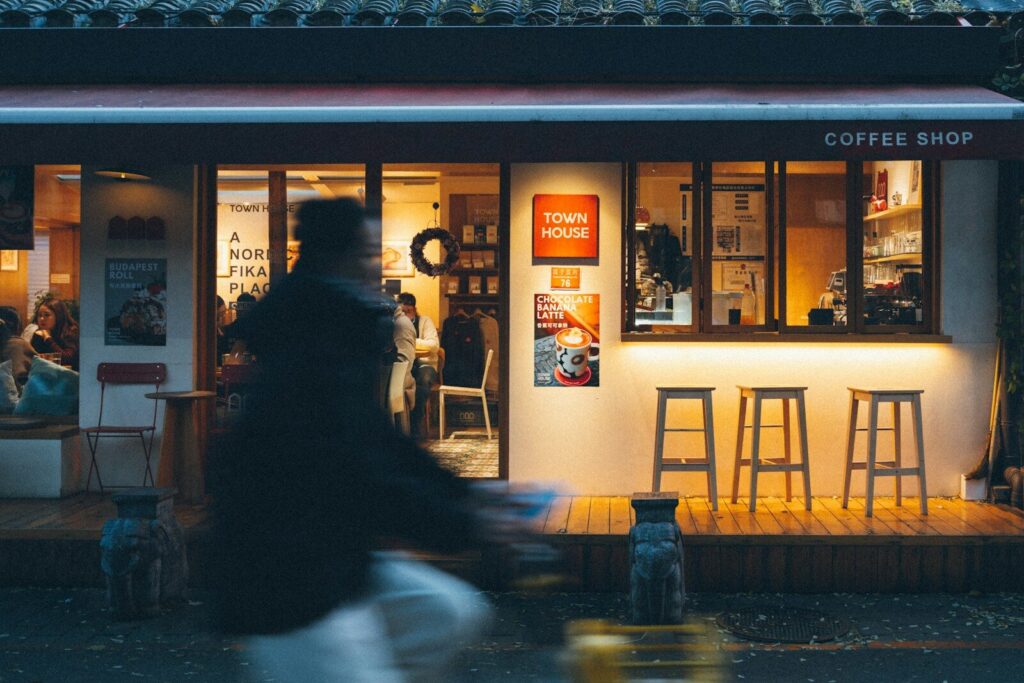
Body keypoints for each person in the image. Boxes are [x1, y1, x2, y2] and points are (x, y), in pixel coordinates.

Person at [209, 198, 518, 682]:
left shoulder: (331, 327)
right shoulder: (311, 344)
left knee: (450, 610)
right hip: (284, 573)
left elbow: (379, 443)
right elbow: (353, 471)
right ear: (341, 257)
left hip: (335, 549)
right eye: (369, 255)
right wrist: (467, 520)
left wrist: (469, 496)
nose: (376, 267)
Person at [396, 292, 439, 440]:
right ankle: (400, 427)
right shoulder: (396, 323)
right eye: (403, 312)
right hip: (407, 364)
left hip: (425, 364)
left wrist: (411, 341)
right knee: (397, 382)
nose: (406, 315)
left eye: (409, 311)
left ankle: (415, 427)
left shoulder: (425, 321)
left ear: (415, 309)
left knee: (422, 382)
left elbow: (433, 345)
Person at [28, 297, 79, 372]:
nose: (42, 319)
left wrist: (48, 338)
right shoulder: (39, 334)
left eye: (47, 315)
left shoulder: (71, 331)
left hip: (70, 376)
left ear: (58, 316)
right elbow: (33, 359)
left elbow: (67, 359)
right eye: (39, 315)